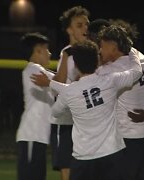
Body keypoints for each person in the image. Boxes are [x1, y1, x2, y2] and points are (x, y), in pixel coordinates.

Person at [32, 27, 142, 180]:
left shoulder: (70, 92)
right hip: (112, 153)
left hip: (83, 158)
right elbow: (137, 72)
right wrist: (133, 54)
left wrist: (72, 104)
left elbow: (55, 113)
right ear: (97, 60)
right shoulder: (111, 80)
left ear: (75, 64)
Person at [96, 19, 144, 180]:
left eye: (102, 46)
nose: (100, 50)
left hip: (128, 138)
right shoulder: (141, 57)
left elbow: (85, 78)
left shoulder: (109, 71)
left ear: (114, 47)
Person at [36, 6, 90, 180]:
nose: (85, 28)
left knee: (87, 168)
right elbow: (57, 84)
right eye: (79, 25)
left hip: (87, 120)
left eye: (86, 25)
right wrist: (66, 57)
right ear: (69, 29)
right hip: (66, 119)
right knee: (66, 167)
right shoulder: (65, 53)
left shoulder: (93, 52)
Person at [16, 32, 54, 180]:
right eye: (46, 49)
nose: (50, 53)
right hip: (32, 135)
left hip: (38, 137)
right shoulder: (34, 69)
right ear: (37, 51)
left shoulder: (39, 70)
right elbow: (61, 80)